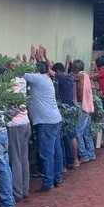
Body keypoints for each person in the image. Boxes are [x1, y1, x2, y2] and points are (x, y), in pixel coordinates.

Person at [24, 60, 63, 191]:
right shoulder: (46, 78)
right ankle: (57, 177)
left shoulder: (37, 78)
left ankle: (48, 182)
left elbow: (21, 74)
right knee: (56, 150)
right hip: (54, 119)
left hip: (45, 121)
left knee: (47, 153)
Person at [7, 69, 31, 201]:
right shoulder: (22, 81)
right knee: (23, 158)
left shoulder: (8, 84)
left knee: (15, 159)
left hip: (15, 125)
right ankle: (24, 189)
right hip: (25, 122)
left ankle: (17, 193)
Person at [72, 59, 97, 163]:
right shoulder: (85, 75)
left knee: (78, 132)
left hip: (83, 107)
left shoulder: (80, 76)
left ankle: (84, 155)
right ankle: (91, 154)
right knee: (86, 132)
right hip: (88, 106)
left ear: (75, 69)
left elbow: (65, 76)